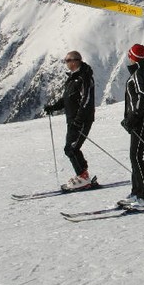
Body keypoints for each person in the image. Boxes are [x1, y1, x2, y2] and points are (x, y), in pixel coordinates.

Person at [44, 50, 96, 191]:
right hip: (73, 120)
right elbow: (68, 98)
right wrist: (54, 107)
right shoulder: (74, 78)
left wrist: (79, 119)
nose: (66, 63)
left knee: (71, 148)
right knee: (72, 148)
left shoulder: (84, 78)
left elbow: (86, 100)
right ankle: (83, 175)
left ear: (75, 61)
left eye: (67, 61)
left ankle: (83, 178)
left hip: (81, 120)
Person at [121, 44, 144, 208]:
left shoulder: (139, 74)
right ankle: (138, 192)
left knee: (136, 156)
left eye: (129, 55)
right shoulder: (143, 71)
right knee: (134, 156)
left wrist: (133, 117)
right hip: (142, 119)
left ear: (132, 57)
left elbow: (143, 96)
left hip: (142, 119)